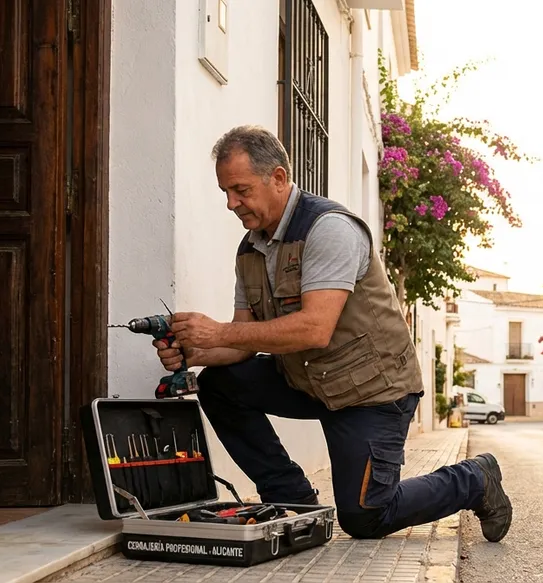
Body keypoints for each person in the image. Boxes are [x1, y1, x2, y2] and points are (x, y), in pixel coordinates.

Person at [153, 125, 513, 542]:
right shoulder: (251, 249)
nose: (232, 203)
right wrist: (197, 352)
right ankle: (293, 500)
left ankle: (474, 479)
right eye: (226, 192)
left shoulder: (329, 229)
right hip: (311, 381)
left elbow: (315, 328)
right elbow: (243, 338)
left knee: (366, 517)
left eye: (240, 189)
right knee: (218, 385)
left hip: (372, 393)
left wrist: (217, 333)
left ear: (279, 178)